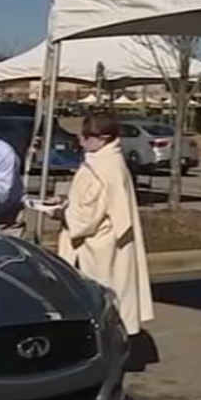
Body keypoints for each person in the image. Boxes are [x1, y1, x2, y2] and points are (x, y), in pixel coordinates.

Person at [59, 113, 155, 339]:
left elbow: (87, 218)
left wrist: (61, 211)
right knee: (114, 291)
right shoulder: (112, 161)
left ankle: (98, 343)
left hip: (97, 246)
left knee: (96, 298)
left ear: (101, 138)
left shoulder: (100, 169)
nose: (80, 141)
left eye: (85, 137)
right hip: (109, 241)